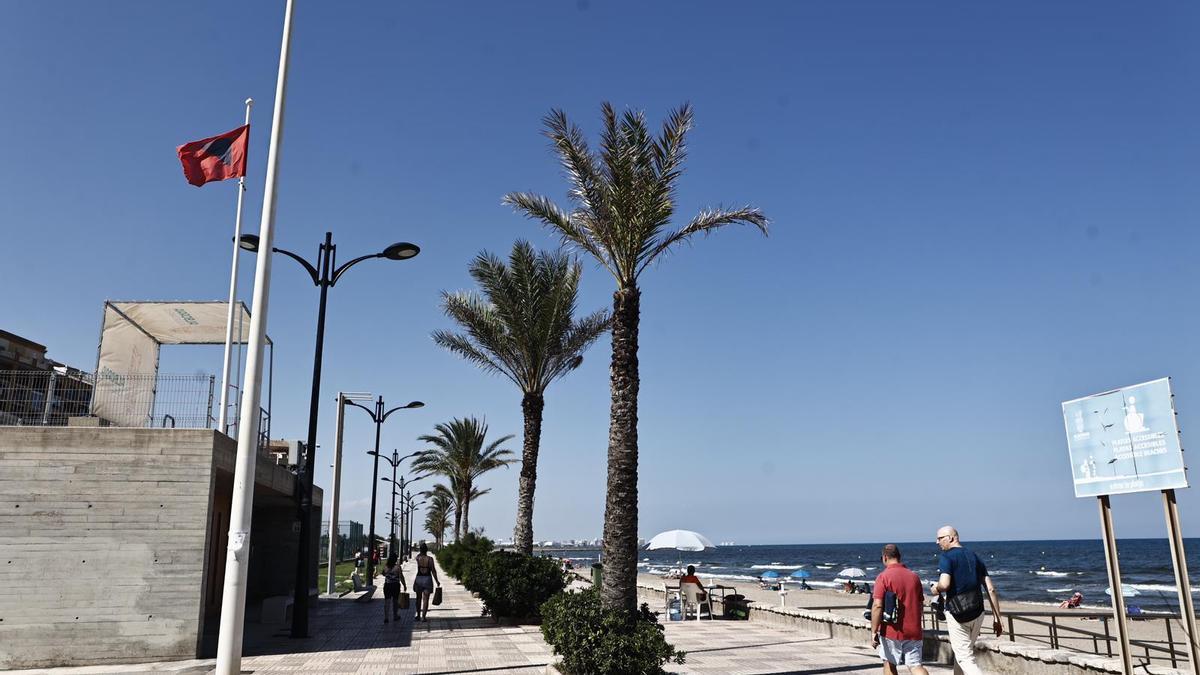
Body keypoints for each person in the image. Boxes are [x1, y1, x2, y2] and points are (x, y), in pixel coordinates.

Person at [930, 526, 1003, 675]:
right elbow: (991, 589)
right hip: (977, 612)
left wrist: (935, 588)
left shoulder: (947, 557)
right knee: (963, 653)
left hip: (957, 614)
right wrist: (997, 618)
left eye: (939, 538)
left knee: (965, 658)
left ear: (950, 538)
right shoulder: (974, 556)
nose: (937, 542)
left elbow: (944, 584)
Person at [869, 544, 928, 675]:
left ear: (884, 557)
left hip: (892, 630)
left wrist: (874, 631)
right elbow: (920, 604)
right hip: (914, 629)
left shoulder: (883, 577)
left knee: (889, 663)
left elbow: (877, 605)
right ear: (899, 557)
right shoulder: (914, 577)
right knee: (915, 665)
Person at [413, 541, 441, 621]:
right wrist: (437, 581)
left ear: (420, 550)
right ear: (427, 550)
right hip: (427, 579)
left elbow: (417, 556)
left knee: (418, 598)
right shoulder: (430, 559)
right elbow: (433, 571)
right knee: (426, 599)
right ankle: (423, 617)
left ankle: (418, 615)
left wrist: (421, 552)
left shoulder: (418, 558)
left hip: (419, 578)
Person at [382, 554, 407, 624]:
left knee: (387, 601)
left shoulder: (386, 566)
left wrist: (388, 573)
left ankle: (386, 617)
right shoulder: (398, 567)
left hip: (387, 585)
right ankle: (395, 616)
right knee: (395, 601)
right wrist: (404, 585)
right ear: (395, 559)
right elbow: (401, 577)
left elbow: (383, 574)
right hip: (395, 586)